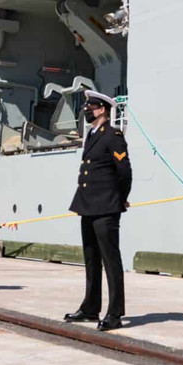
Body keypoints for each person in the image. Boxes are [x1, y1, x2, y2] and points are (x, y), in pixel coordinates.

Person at [63, 91, 132, 331]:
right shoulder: (92, 135)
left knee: (110, 260)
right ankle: (91, 308)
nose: (86, 109)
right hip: (88, 205)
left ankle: (115, 313)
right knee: (91, 259)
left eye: (89, 106)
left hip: (105, 206)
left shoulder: (113, 135)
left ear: (102, 109)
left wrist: (119, 200)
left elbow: (124, 172)